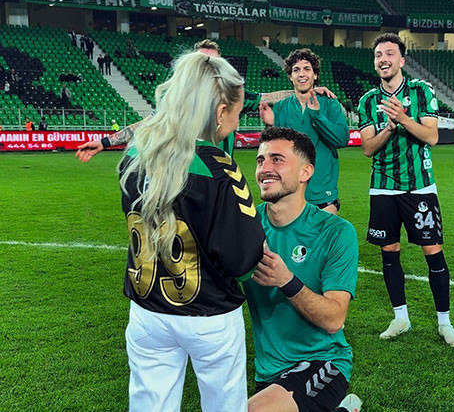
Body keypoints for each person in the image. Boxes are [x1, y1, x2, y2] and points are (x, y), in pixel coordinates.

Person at [118, 50, 265, 411]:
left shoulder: (135, 154)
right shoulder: (219, 167)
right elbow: (243, 259)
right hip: (208, 313)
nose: (237, 120)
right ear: (219, 112)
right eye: (236, 112)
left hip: (147, 310)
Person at [244, 127, 361, 412]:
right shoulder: (245, 226)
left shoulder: (336, 232)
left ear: (305, 172)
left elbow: (334, 319)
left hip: (324, 362)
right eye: (261, 160)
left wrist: (286, 280)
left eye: (277, 159)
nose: (265, 168)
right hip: (269, 371)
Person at [358, 33, 454, 347]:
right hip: (383, 188)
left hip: (420, 187)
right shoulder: (368, 101)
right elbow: (368, 148)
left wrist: (402, 118)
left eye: (390, 53)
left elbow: (431, 137)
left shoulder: (421, 91)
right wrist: (389, 128)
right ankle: (400, 318)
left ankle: (445, 322)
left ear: (401, 60)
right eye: (379, 54)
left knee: (433, 253)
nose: (384, 59)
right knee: (389, 253)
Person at [75, 39, 337, 163]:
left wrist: (306, 89)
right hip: (188, 173)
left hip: (225, 173)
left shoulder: (231, 94)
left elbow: (266, 98)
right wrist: (105, 141)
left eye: (214, 62)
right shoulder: (176, 97)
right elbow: (150, 123)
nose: (209, 67)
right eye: (203, 62)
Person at [259, 48, 349, 214]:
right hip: (289, 193)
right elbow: (274, 152)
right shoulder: (281, 107)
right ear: (290, 76)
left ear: (315, 75)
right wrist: (271, 125)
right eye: (296, 70)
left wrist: (317, 115)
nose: (302, 74)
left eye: (307, 69)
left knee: (322, 231)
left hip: (322, 195)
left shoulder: (330, 103)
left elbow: (341, 139)